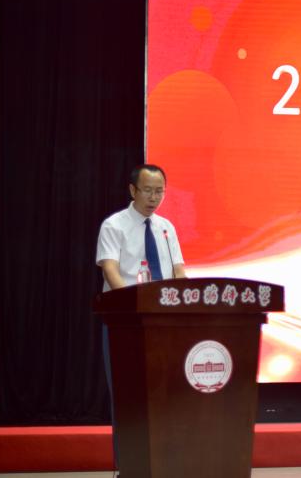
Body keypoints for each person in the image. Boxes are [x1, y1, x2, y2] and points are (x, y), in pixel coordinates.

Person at [96, 163, 187, 476]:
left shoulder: (166, 227)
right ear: (132, 190)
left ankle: (166, 462)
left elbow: (178, 270)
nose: (154, 197)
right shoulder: (114, 225)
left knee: (167, 393)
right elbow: (110, 268)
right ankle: (128, 466)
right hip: (125, 322)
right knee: (128, 396)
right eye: (148, 190)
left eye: (159, 191)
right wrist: (131, 304)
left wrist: (187, 302)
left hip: (164, 322)